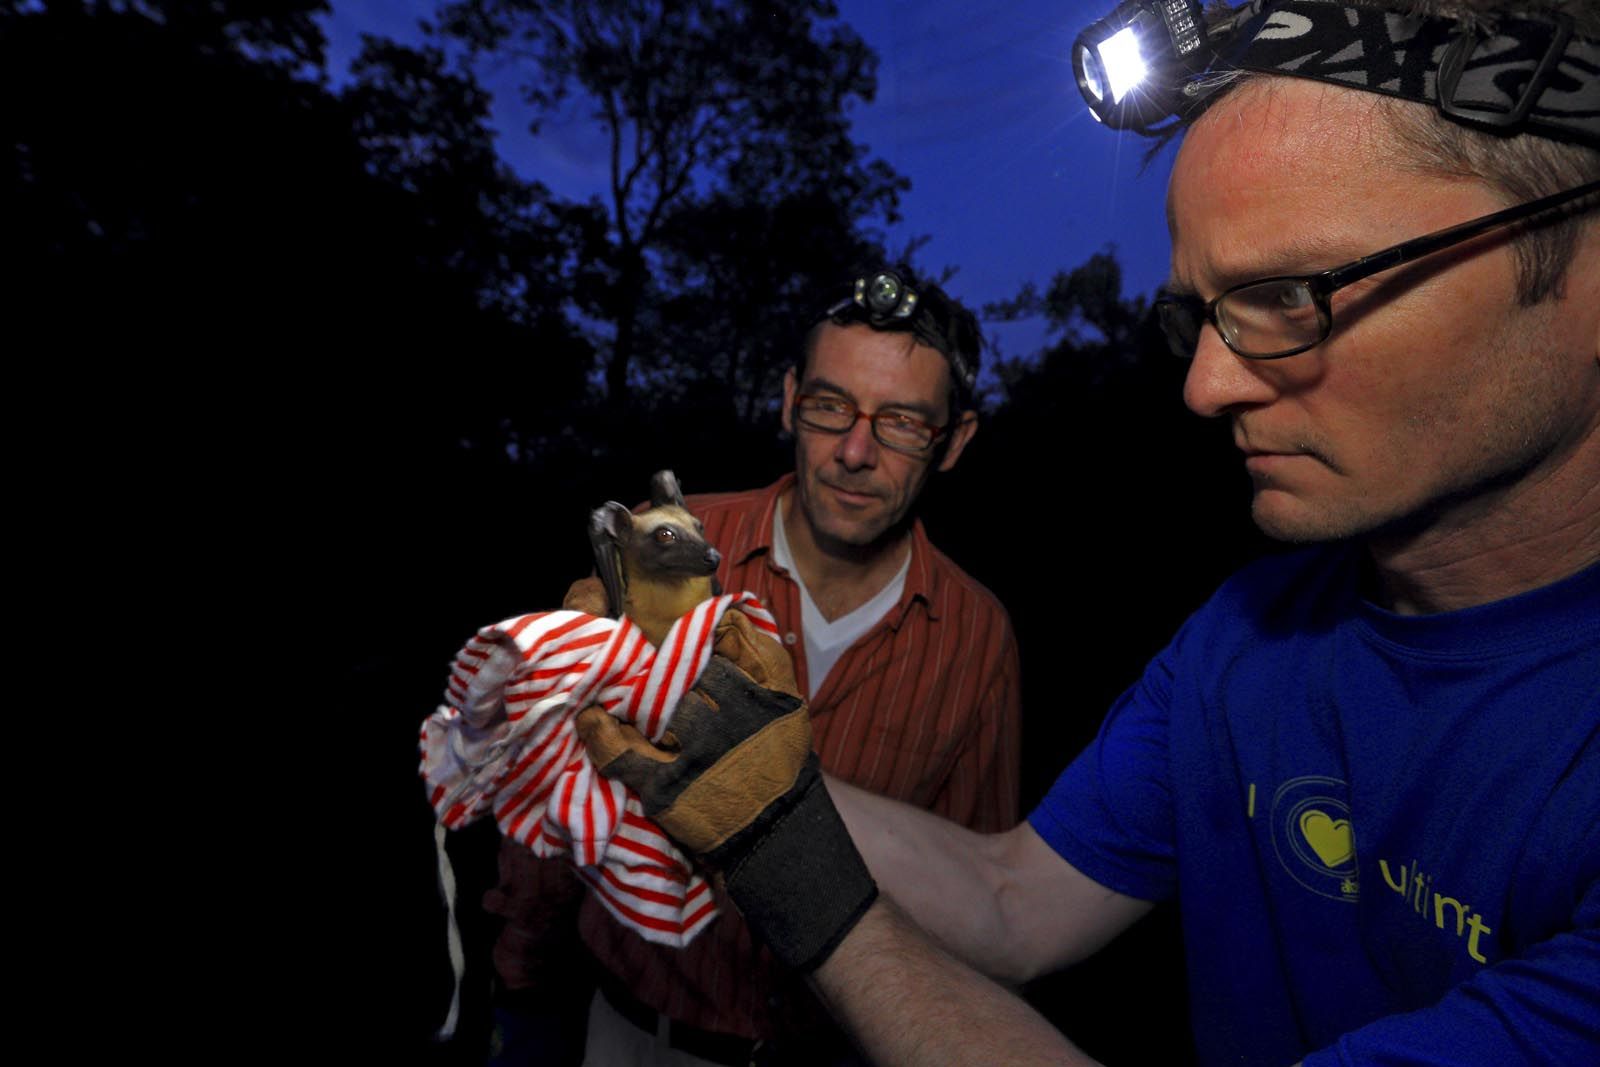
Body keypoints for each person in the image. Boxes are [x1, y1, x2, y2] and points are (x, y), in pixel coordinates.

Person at [575, 1, 1600, 1064]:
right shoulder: (1241, 640)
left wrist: (781, 864)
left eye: (1292, 294)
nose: (1203, 385)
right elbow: (1015, 899)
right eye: (1194, 317)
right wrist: (729, 763)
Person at [485, 268, 1023, 1066]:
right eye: (830, 406)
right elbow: (557, 783)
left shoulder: (976, 636)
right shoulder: (667, 546)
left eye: (903, 422)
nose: (853, 450)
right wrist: (521, 979)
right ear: (787, 400)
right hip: (631, 1033)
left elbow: (979, 902)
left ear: (956, 441)